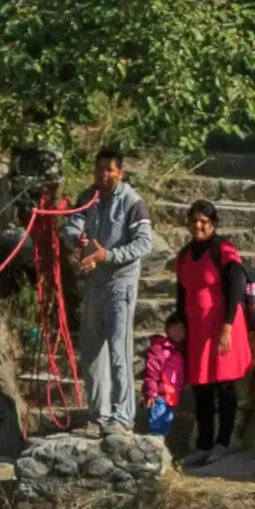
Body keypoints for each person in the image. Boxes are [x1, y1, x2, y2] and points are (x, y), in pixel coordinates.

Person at [67, 145, 153, 433]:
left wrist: (109, 256)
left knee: (119, 350)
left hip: (121, 282)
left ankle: (123, 416)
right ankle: (98, 415)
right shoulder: (87, 197)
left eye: (109, 169)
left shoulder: (133, 202)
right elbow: (72, 224)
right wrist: (77, 239)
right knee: (91, 352)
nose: (102, 175)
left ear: (120, 172)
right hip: (93, 283)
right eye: (99, 169)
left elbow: (144, 243)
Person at [167, 201, 255, 464]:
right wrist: (179, 321)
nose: (198, 225)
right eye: (194, 220)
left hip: (221, 326)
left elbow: (236, 288)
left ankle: (224, 442)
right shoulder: (185, 255)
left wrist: (227, 326)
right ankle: (204, 444)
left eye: (204, 221)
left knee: (224, 385)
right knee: (201, 387)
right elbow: (182, 294)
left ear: (213, 224)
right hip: (197, 330)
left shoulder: (224, 250)